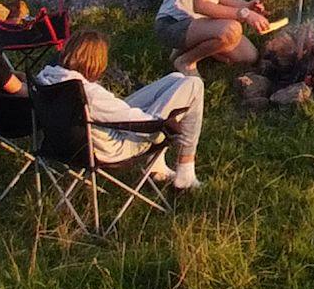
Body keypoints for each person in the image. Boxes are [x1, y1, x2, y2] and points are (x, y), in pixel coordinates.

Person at [36, 32, 206, 190]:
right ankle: (185, 172)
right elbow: (141, 122)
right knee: (193, 85)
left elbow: (116, 112)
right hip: (111, 148)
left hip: (68, 143)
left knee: (176, 79)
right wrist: (168, 121)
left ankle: (156, 166)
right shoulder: (90, 94)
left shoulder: (47, 78)